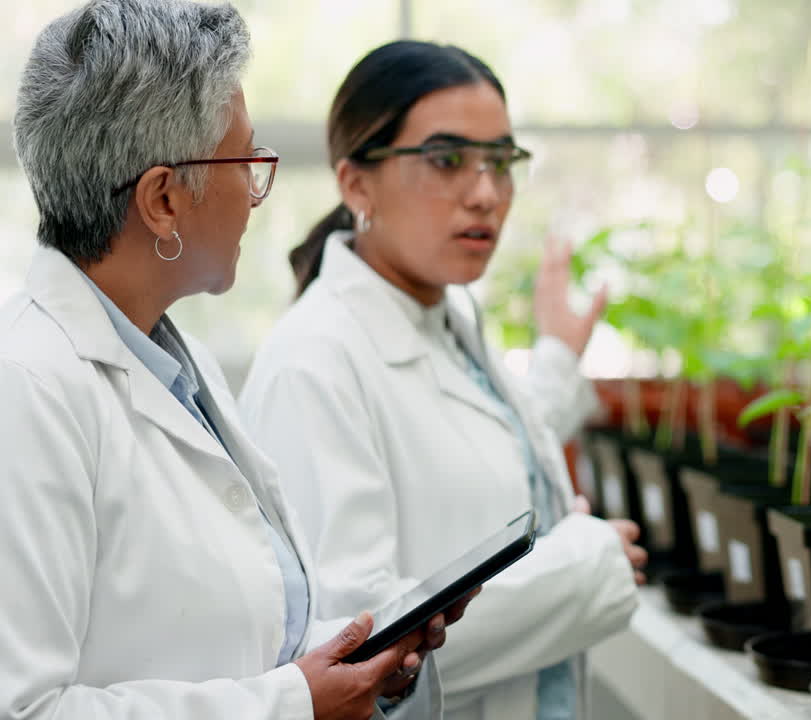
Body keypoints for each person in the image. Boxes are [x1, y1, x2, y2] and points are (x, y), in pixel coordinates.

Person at [0, 3, 470, 719]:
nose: (256, 194)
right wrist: (294, 704)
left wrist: (362, 662)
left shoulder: (172, 362)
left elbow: (244, 637)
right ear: (163, 200)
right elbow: (27, 708)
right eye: (246, 161)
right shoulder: (26, 388)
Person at [239, 41, 645, 720]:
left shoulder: (444, 315)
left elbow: (470, 459)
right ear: (356, 184)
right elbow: (355, 645)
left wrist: (554, 358)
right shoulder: (312, 363)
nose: (486, 194)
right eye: (447, 160)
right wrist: (583, 570)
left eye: (501, 162)